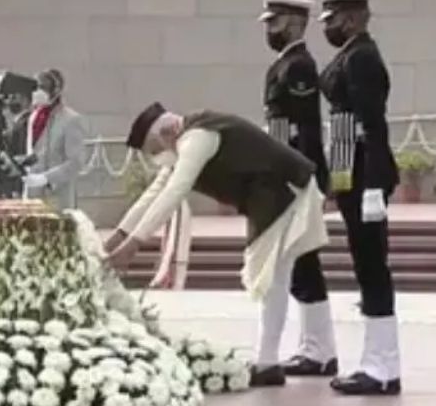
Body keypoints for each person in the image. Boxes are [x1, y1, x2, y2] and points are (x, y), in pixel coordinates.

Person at [104, 103, 328, 388]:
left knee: (271, 277)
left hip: (283, 193)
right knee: (293, 276)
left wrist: (134, 244)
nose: (159, 158)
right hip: (273, 196)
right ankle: (321, 352)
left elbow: (176, 190)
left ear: (166, 133)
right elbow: (153, 195)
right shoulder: (183, 143)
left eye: (155, 149)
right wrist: (118, 237)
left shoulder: (196, 138)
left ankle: (268, 363)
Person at [316, 0, 402, 396]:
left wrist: (373, 184)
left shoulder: (362, 57)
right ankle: (374, 361)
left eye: (331, 20)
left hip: (365, 168)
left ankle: (382, 366)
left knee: (372, 266)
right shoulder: (353, 53)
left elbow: (373, 124)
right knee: (364, 265)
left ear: (350, 19)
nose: (328, 28)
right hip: (352, 168)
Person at [259, 0, 339, 378]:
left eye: (274, 22)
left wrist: (301, 177)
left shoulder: (300, 67)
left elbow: (303, 131)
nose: (269, 30)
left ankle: (319, 349)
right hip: (286, 173)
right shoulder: (285, 64)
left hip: (296, 176)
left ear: (294, 23)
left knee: (298, 262)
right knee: (304, 263)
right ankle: (318, 349)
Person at [20, 69, 88, 211]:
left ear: (56, 90)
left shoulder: (71, 120)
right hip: (32, 196)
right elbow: (36, 152)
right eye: (36, 87)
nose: (37, 92)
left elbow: (76, 162)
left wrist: (46, 178)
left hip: (57, 197)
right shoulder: (34, 117)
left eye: (42, 87)